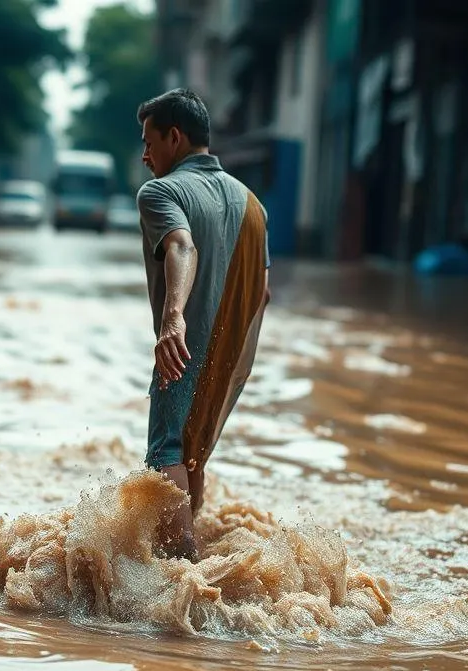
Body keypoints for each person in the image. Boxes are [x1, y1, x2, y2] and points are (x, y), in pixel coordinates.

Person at [135, 88, 272, 561]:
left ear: (174, 137)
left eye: (149, 142)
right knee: (193, 454)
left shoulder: (161, 192)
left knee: (166, 451)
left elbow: (181, 245)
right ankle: (199, 562)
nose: (145, 155)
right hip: (236, 360)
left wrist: (173, 318)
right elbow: (263, 293)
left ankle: (186, 576)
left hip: (185, 349)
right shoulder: (254, 204)